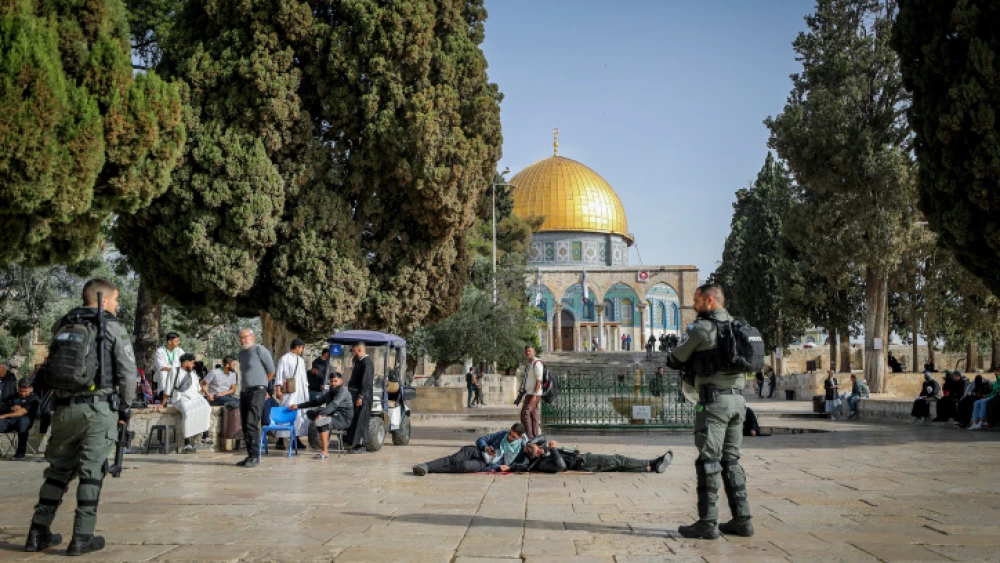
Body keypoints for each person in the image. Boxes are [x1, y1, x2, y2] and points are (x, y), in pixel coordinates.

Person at [25, 278, 136, 555]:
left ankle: (37, 533)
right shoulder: (112, 327)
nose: (117, 304)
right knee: (91, 472)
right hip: (99, 410)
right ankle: (82, 537)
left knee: (58, 471)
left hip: (63, 409)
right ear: (106, 299)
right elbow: (128, 373)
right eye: (116, 299)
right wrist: (125, 407)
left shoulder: (63, 326)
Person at [665, 283, 752, 540]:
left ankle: (707, 523)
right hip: (738, 403)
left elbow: (675, 358)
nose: (694, 305)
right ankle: (742, 520)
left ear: (710, 301)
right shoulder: (739, 327)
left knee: (709, 460)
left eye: (697, 301)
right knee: (731, 460)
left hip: (714, 404)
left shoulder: (702, 328)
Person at [412, 423, 527, 475]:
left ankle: (430, 469)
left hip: (484, 463)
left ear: (520, 437)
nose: (510, 437)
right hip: (477, 452)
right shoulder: (503, 435)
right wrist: (486, 448)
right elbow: (481, 439)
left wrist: (509, 467)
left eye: (513, 436)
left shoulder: (522, 447)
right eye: (510, 434)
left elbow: (524, 464)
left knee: (463, 466)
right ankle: (426, 466)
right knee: (454, 459)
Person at [290, 371, 353, 459]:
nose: (333, 383)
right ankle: (321, 426)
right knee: (311, 413)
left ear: (341, 381)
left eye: (335, 381)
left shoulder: (343, 392)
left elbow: (334, 404)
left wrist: (322, 414)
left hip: (342, 418)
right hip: (331, 416)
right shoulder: (329, 392)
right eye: (331, 381)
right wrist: (298, 406)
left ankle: (325, 452)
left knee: (323, 422)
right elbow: (316, 402)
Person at [511, 440, 673, 474]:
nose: (533, 445)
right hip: (584, 463)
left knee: (618, 466)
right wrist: (553, 451)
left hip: (584, 458)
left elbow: (541, 436)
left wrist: (536, 445)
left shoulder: (542, 451)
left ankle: (652, 467)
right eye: (530, 447)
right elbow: (561, 467)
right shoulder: (541, 463)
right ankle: (653, 461)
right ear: (532, 454)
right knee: (618, 459)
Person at [157, 353, 212, 453]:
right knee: (187, 412)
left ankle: (205, 435)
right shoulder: (175, 371)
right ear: (185, 363)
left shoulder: (193, 373)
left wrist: (201, 397)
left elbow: (198, 389)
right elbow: (168, 389)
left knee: (206, 407)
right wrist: (163, 403)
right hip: (181, 398)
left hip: (195, 397)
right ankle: (187, 442)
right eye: (192, 363)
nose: (193, 365)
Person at [236, 329, 275, 468]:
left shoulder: (260, 350)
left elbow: (271, 371)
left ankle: (255, 456)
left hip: (258, 390)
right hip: (245, 391)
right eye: (240, 338)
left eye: (245, 337)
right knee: (246, 424)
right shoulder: (242, 354)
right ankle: (249, 455)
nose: (242, 340)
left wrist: (263, 386)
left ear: (253, 337)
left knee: (252, 422)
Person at [274, 338, 309, 451]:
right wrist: (278, 390)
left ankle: (296, 438)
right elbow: (279, 374)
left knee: (298, 415)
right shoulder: (284, 358)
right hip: (289, 391)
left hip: (300, 393)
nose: (302, 350)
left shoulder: (301, 360)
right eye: (302, 348)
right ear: (298, 347)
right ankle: (280, 440)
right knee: (285, 412)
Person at [344, 342, 374, 454]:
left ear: (360, 350)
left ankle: (361, 445)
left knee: (361, 420)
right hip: (354, 394)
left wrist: (360, 397)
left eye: (354, 350)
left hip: (363, 396)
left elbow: (366, 382)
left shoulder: (367, 363)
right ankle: (353, 442)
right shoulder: (359, 362)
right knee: (355, 419)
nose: (353, 353)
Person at [0, 378, 40, 460]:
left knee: (23, 422)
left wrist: (5, 415)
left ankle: (20, 454)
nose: (23, 394)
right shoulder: (13, 397)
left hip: (24, 423)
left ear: (30, 389)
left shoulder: (34, 398)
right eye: (21, 391)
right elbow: (3, 406)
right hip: (9, 422)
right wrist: (11, 408)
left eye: (25, 391)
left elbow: (22, 411)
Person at [520, 346, 544, 439]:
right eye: (526, 351)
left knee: (525, 413)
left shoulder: (537, 363)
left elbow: (539, 379)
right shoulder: (530, 364)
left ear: (534, 352)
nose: (528, 353)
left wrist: (535, 394)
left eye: (530, 351)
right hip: (529, 393)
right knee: (533, 414)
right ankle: (535, 435)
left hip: (534, 393)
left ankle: (529, 436)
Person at [153, 333, 183, 398]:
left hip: (177, 373)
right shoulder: (160, 351)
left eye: (179, 341)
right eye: (176, 341)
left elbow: (185, 361)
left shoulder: (179, 350)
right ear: (169, 342)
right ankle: (162, 395)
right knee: (163, 373)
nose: (178, 342)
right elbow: (162, 367)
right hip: (163, 373)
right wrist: (175, 370)